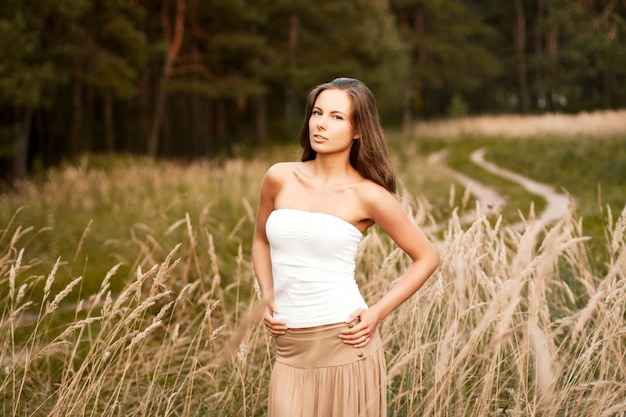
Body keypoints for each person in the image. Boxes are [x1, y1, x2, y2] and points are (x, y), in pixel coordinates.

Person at [251, 77, 440, 417]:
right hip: (289, 350)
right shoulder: (279, 176)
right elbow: (261, 239)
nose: (321, 124)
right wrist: (266, 297)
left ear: (357, 130)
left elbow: (426, 257)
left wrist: (377, 314)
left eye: (337, 117)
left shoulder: (368, 194)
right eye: (317, 112)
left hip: (344, 342)